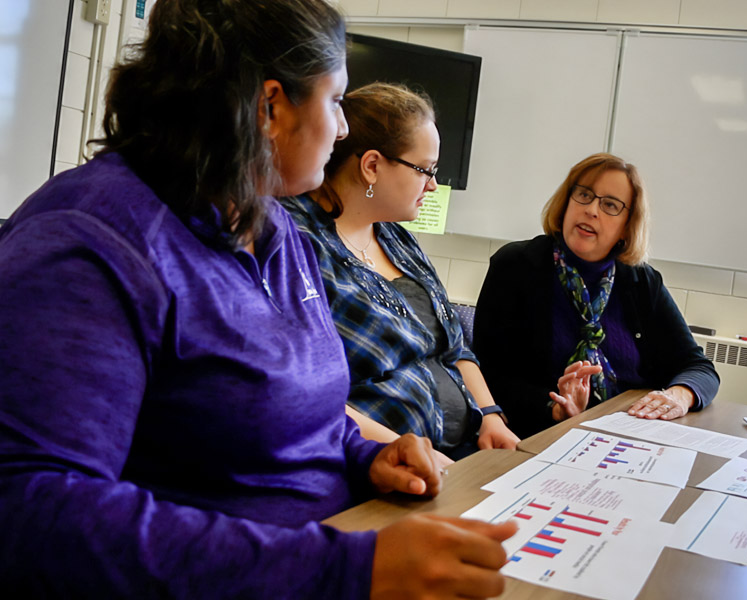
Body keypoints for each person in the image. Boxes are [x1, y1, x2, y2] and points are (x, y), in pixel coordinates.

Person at [0, 2, 515, 598]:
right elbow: (30, 512)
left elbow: (298, 417)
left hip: (340, 539)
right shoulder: (93, 242)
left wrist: (361, 458)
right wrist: (341, 570)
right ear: (270, 108)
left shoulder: (274, 227)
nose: (345, 129)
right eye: (335, 101)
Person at [281, 83, 519, 460]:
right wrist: (401, 451)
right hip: (379, 463)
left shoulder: (398, 239)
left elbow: (455, 346)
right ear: (372, 166)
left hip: (461, 451)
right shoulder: (294, 241)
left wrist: (490, 416)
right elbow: (302, 390)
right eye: (425, 169)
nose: (433, 185)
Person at [473, 153, 719, 439]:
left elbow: (698, 367)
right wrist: (553, 407)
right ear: (566, 202)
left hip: (633, 435)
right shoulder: (517, 265)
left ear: (627, 225)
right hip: (540, 437)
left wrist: (680, 395)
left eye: (610, 205)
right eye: (584, 195)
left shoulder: (641, 281)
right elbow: (488, 375)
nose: (591, 210)